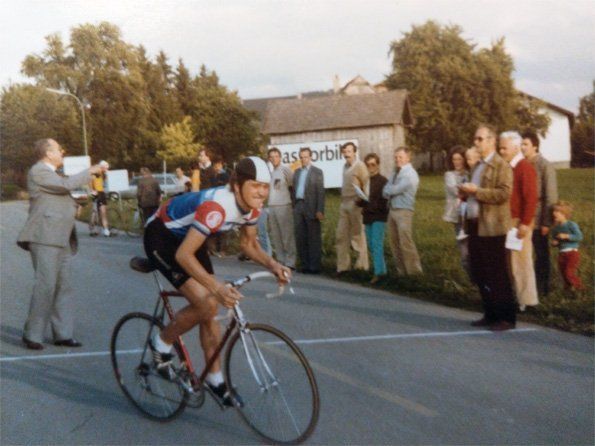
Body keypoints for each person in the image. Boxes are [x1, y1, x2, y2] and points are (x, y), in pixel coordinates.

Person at [143, 156, 291, 406]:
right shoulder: (217, 207)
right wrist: (216, 287)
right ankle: (161, 344)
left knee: (210, 312)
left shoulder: (253, 207)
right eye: (255, 185)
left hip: (190, 238)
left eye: (265, 187)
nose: (261, 192)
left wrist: (273, 265)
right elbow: (183, 255)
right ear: (237, 185)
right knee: (208, 303)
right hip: (162, 236)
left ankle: (215, 379)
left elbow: (249, 244)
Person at [17, 139, 106, 350]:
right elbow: (64, 186)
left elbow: (60, 193)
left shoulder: (52, 173)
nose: (62, 152)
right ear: (48, 153)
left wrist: (75, 203)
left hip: (61, 236)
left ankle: (63, 334)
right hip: (45, 236)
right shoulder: (39, 170)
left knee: (63, 286)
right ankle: (33, 334)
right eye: (58, 149)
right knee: (46, 286)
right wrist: (91, 170)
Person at [459, 124, 515, 331]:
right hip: (475, 224)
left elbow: (504, 194)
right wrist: (465, 192)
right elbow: (474, 192)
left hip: (492, 227)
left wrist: (477, 191)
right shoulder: (478, 166)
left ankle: (506, 317)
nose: (476, 142)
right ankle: (490, 313)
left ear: (492, 140)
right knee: (480, 271)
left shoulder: (501, 165)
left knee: (497, 273)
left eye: (480, 139)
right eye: (475, 138)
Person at [498, 131, 538, 311]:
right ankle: (517, 298)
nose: (501, 151)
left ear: (515, 148)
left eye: (504, 148)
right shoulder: (508, 167)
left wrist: (525, 223)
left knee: (520, 262)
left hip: (519, 222)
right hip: (508, 221)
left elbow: (531, 198)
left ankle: (527, 301)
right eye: (500, 148)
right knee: (510, 262)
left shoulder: (524, 168)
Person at [521, 131, 559, 296]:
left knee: (541, 253)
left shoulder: (544, 165)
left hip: (538, 217)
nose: (522, 147)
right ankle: (527, 286)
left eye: (525, 144)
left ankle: (542, 287)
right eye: (521, 144)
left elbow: (550, 195)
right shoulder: (521, 164)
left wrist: (546, 222)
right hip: (522, 217)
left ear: (535, 146)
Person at [382, 146, 423, 275]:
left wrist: (389, 190)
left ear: (408, 158)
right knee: (394, 243)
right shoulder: (395, 172)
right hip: (392, 210)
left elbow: (395, 189)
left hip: (404, 211)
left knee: (406, 242)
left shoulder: (410, 174)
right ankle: (401, 271)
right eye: (396, 157)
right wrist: (389, 190)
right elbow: (385, 190)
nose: (397, 159)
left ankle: (414, 272)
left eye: (400, 157)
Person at [335, 142, 369, 274]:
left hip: (356, 204)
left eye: (349, 151)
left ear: (354, 152)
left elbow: (366, 184)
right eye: (344, 152)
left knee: (358, 235)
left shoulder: (360, 166)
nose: (347, 154)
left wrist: (363, 200)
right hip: (344, 203)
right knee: (341, 235)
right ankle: (343, 267)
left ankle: (362, 266)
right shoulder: (345, 166)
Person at [293, 147, 325, 274]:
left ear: (310, 157)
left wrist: (320, 210)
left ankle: (314, 266)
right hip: (299, 205)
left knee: (313, 237)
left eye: (306, 157)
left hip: (311, 206)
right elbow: (294, 189)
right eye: (301, 157)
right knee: (300, 237)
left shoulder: (317, 172)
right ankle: (305, 265)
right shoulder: (297, 172)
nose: (303, 159)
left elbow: (321, 192)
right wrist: (294, 205)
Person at [358, 153, 388, 283]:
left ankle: (378, 273)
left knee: (376, 243)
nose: (370, 167)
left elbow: (384, 201)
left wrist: (370, 204)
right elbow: (362, 200)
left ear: (378, 165)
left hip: (379, 216)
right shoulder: (365, 181)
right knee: (371, 244)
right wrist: (359, 201)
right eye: (368, 165)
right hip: (368, 216)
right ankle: (382, 270)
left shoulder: (383, 181)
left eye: (373, 164)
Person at [442, 145, 470, 276]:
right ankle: (468, 273)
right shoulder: (449, 175)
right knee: (463, 246)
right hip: (458, 215)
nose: (457, 162)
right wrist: (470, 189)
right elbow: (455, 190)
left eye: (459, 159)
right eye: (454, 159)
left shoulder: (470, 173)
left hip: (471, 214)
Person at [267, 147, 296, 269]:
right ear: (269, 159)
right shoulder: (270, 172)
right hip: (272, 206)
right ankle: (281, 259)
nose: (274, 159)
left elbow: (292, 187)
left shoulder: (285, 170)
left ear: (280, 157)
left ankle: (290, 261)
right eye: (271, 157)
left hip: (284, 205)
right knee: (276, 235)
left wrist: (292, 204)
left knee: (286, 235)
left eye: (276, 156)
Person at [551, 201, 584, 292]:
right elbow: (555, 240)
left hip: (572, 253)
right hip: (562, 254)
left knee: (568, 273)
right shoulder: (556, 228)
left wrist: (567, 236)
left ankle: (580, 288)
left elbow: (579, 237)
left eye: (557, 211)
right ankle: (568, 291)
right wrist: (555, 243)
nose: (554, 213)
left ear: (564, 214)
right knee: (563, 274)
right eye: (553, 211)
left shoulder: (571, 224)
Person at [90, 160, 111, 236]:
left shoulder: (101, 174)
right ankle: (105, 230)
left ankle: (94, 229)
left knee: (96, 212)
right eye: (105, 168)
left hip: (98, 193)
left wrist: (92, 191)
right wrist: (93, 190)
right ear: (102, 167)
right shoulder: (98, 173)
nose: (106, 170)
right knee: (101, 212)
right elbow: (92, 182)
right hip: (99, 193)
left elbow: (92, 183)